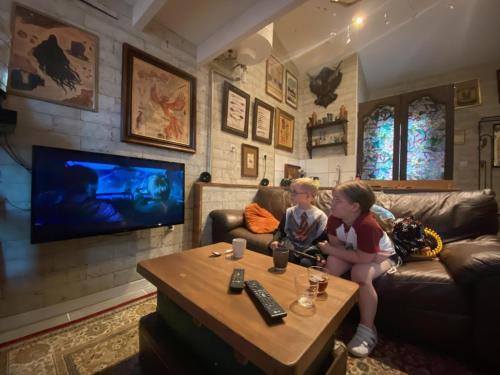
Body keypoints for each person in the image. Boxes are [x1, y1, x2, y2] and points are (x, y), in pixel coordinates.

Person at [318, 180, 397, 357]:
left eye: (337, 200)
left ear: (354, 207)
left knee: (360, 272)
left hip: (382, 256)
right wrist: (333, 251)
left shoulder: (367, 225)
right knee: (331, 263)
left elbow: (364, 258)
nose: (331, 203)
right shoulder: (333, 219)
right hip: (355, 251)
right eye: (333, 199)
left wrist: (331, 249)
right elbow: (337, 246)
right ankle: (328, 313)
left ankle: (367, 329)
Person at [270, 177, 328, 266]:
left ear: (308, 196)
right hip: (289, 247)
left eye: (295, 192)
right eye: (291, 191)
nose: (291, 194)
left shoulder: (321, 217)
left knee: (306, 263)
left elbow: (322, 240)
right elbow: (280, 231)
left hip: (309, 250)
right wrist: (275, 241)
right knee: (280, 256)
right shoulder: (289, 212)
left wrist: (320, 256)